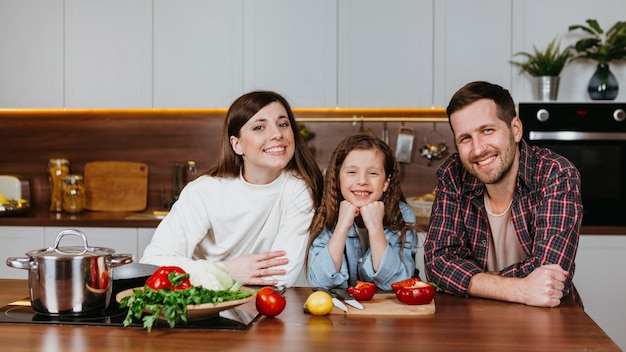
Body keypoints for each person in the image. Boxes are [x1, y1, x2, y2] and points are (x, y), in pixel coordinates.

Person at [424, 81, 583, 307]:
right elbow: (437, 264)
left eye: (487, 130)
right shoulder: (453, 174)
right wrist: (520, 289)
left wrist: (473, 280)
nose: (478, 150)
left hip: (547, 318)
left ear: (515, 129)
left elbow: (552, 275)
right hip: (476, 320)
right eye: (465, 138)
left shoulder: (555, 174)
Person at [141, 90, 323, 288]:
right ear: (237, 145)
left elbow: (280, 276)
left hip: (261, 310)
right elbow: (153, 262)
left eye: (283, 124)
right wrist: (227, 270)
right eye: (260, 127)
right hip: (200, 308)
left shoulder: (299, 190)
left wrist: (205, 274)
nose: (277, 134)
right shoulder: (204, 191)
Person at [307, 133, 418, 291]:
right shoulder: (326, 214)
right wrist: (342, 227)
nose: (362, 181)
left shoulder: (402, 215)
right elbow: (322, 281)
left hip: (386, 312)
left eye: (373, 173)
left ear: (386, 183)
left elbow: (398, 282)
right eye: (352, 172)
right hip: (341, 312)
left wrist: (375, 228)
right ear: (338, 180)